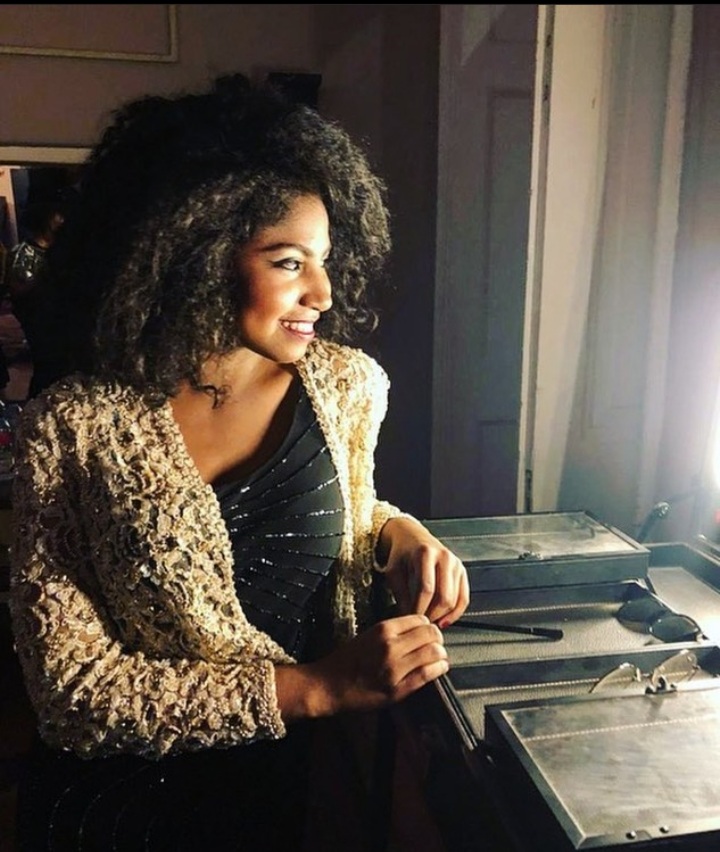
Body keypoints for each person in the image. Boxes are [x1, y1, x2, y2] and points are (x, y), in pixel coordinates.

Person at [8, 73, 469, 851]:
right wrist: (315, 689)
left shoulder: (346, 388)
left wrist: (399, 536)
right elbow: (72, 692)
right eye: (288, 262)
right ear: (194, 254)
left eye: (324, 259)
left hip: (275, 793)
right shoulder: (75, 428)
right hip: (119, 811)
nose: (323, 291)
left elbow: (347, 506)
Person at [5, 200, 66, 398]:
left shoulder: (61, 251)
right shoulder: (23, 254)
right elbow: (20, 291)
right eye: (58, 215)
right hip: (41, 323)